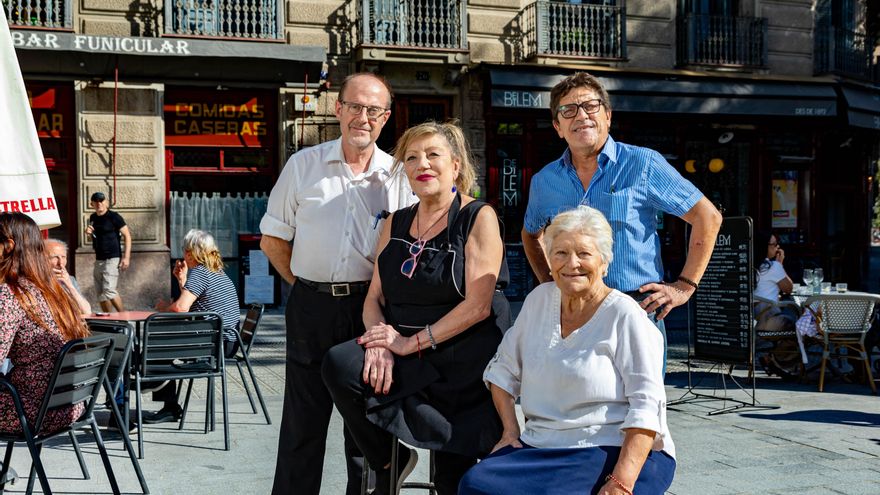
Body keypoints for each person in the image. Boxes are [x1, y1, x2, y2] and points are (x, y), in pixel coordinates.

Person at [322, 121, 511, 495]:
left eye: (433, 155)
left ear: (455, 166)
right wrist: (378, 342)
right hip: (402, 344)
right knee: (340, 364)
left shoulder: (478, 216)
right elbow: (374, 297)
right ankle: (387, 460)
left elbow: (478, 306)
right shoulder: (397, 220)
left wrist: (411, 344)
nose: (422, 164)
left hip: (461, 352)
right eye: (411, 158)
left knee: (452, 477)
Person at [259, 72, 413, 495]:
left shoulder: (398, 177)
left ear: (385, 118)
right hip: (310, 304)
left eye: (373, 110)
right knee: (302, 422)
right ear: (338, 109)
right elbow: (273, 239)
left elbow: (405, 252)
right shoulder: (303, 166)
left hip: (371, 308)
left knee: (363, 424)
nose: (363, 117)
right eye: (355, 107)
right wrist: (306, 284)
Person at [459, 206, 675, 495]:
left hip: (613, 445)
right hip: (542, 443)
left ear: (604, 262)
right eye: (560, 253)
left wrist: (621, 482)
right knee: (476, 484)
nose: (572, 263)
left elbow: (647, 406)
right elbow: (502, 371)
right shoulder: (539, 300)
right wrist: (510, 432)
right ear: (549, 261)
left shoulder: (625, 315)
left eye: (584, 254)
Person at [521, 72, 722, 368]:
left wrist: (684, 286)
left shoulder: (643, 163)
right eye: (568, 110)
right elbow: (530, 234)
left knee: (640, 407)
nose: (581, 116)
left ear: (608, 116)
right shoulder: (544, 181)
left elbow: (708, 216)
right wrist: (548, 282)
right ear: (558, 127)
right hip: (569, 310)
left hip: (636, 307)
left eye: (591, 106)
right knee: (574, 404)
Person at [0, 212, 91, 435]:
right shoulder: (52, 289)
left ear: (9, 246)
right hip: (69, 405)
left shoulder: (11, 293)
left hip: (32, 409)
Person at [148, 229, 241, 424]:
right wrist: (182, 281)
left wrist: (163, 307)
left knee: (158, 345)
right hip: (228, 343)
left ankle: (154, 389)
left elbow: (181, 309)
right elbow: (193, 307)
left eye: (184, 250)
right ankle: (163, 396)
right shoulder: (217, 272)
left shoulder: (200, 272)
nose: (183, 254)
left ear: (190, 253)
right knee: (162, 344)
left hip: (215, 346)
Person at [753, 231, 800, 378]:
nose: (777, 247)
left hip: (753, 318)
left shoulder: (749, 264)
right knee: (800, 327)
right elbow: (788, 288)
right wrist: (780, 264)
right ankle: (776, 359)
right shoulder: (773, 266)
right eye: (774, 244)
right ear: (764, 247)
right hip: (769, 320)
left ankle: (775, 359)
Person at [85, 191, 131, 313]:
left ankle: (124, 318)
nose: (99, 203)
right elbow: (92, 238)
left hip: (112, 257)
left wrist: (126, 258)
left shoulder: (114, 217)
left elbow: (127, 235)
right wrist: (88, 234)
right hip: (99, 258)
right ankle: (108, 319)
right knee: (100, 292)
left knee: (109, 290)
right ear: (92, 204)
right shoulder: (93, 218)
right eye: (96, 201)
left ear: (106, 202)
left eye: (101, 201)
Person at [44, 238, 91, 315]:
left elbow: (87, 311)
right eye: (55, 257)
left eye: (63, 257)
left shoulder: (69, 279)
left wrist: (70, 286)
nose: (60, 263)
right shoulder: (36, 280)